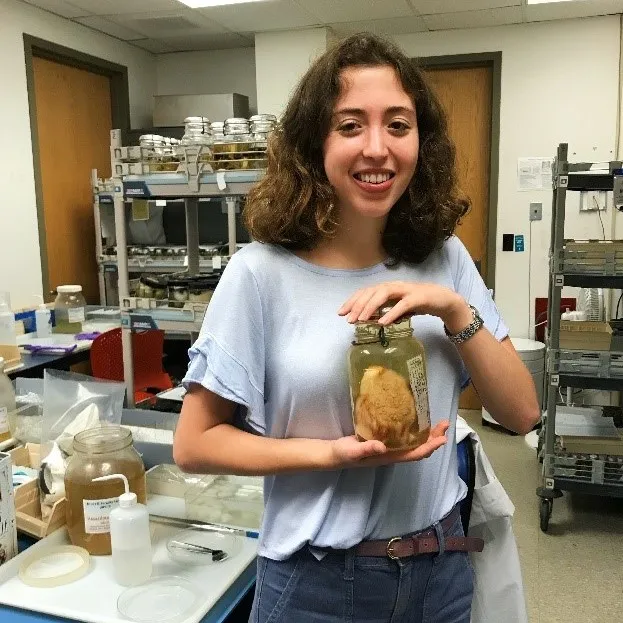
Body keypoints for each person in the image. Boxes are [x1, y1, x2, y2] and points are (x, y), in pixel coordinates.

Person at [174, 33, 540, 623]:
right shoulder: (259, 274)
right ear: (313, 143)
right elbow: (195, 445)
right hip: (316, 584)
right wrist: (333, 454)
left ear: (422, 140)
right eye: (350, 126)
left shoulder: (444, 259)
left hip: (440, 571)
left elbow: (522, 414)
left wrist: (452, 311)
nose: (378, 149)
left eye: (398, 124)